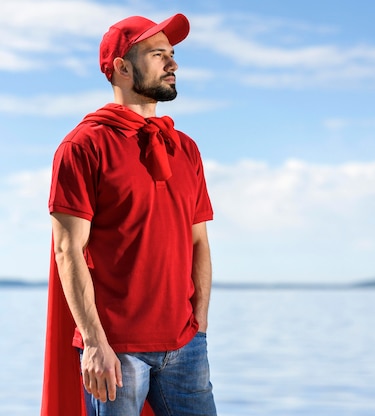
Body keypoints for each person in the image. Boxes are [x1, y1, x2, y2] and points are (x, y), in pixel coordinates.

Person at [40, 13, 218, 416]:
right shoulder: (83, 146)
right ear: (121, 67)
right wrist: (94, 342)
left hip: (185, 346)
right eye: (158, 55)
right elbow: (68, 250)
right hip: (116, 351)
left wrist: (199, 328)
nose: (173, 65)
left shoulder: (186, 148)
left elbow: (198, 242)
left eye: (172, 55)